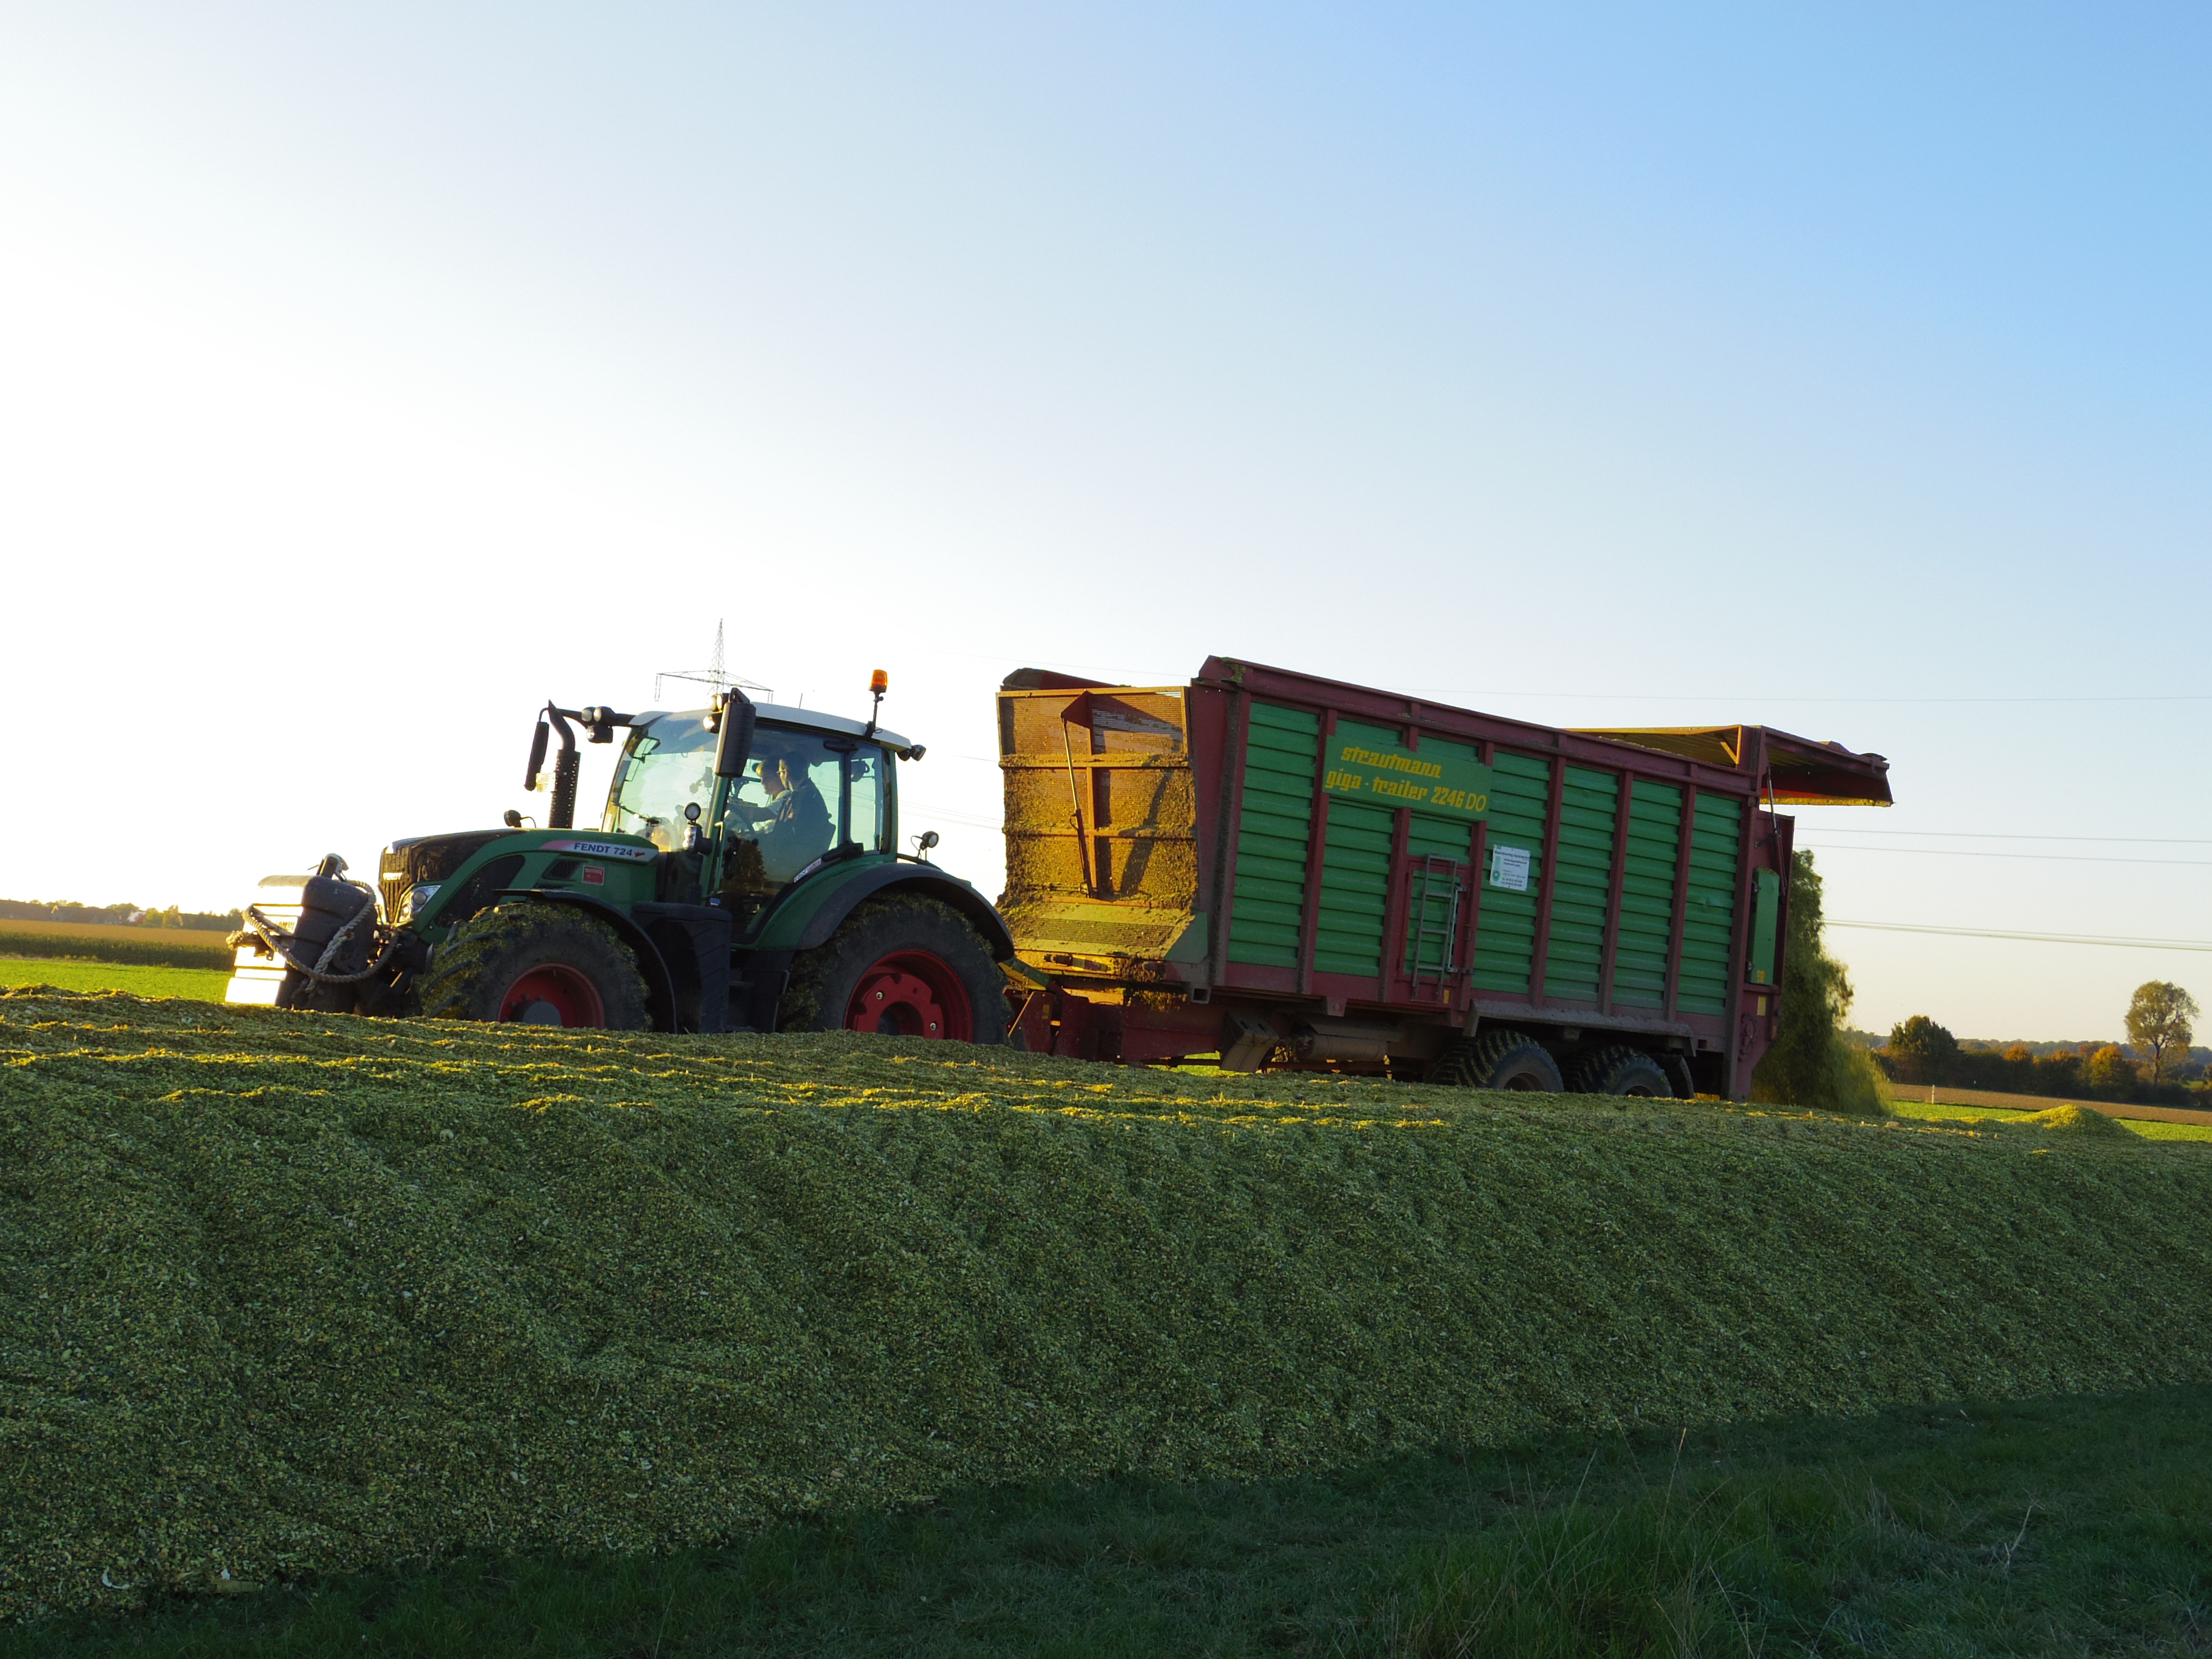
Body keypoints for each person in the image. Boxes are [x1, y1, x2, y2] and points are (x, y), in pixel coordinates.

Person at [732, 749, 832, 883]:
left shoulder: (800, 798)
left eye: (779, 773)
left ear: (786, 773)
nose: (780, 776)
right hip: (793, 856)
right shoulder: (806, 794)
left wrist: (750, 839)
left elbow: (783, 835)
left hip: (791, 862)